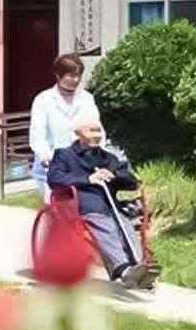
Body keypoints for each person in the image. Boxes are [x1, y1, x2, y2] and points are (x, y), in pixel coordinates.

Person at [47, 111, 151, 289]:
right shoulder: (64, 155)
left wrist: (114, 174)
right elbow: (55, 179)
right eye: (92, 131)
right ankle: (123, 269)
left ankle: (139, 269)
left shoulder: (108, 158)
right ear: (79, 133)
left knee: (125, 226)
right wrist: (88, 179)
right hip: (82, 202)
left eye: (99, 131)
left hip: (111, 204)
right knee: (107, 227)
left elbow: (132, 182)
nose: (97, 135)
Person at [29, 52, 89, 195]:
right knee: (58, 205)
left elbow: (96, 130)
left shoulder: (87, 99)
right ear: (58, 75)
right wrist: (48, 158)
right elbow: (37, 136)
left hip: (81, 166)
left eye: (78, 75)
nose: (76, 80)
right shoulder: (44, 100)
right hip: (51, 168)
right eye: (71, 76)